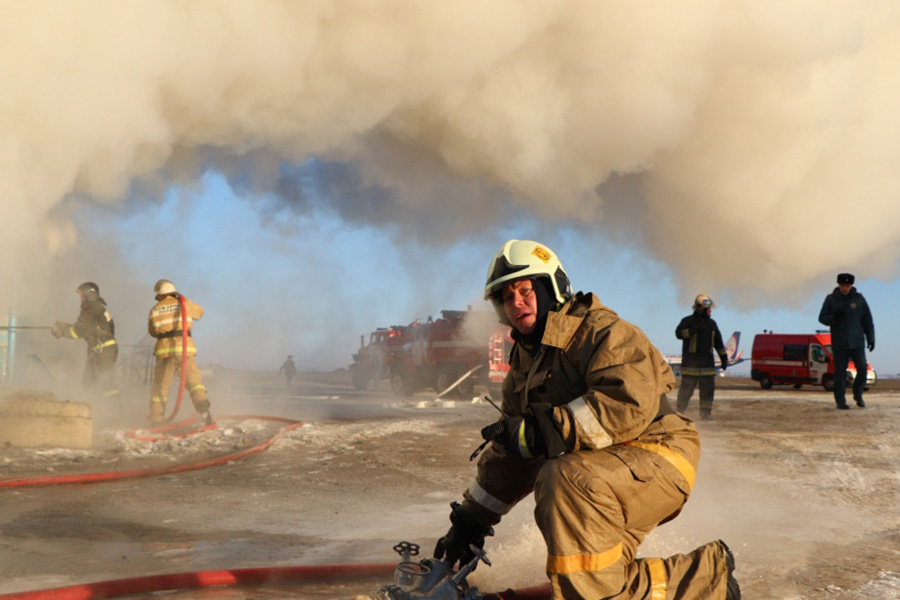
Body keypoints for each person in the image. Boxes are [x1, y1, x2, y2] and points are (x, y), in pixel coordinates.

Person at [434, 240, 740, 600]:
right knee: (597, 579)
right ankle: (706, 579)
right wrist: (471, 521)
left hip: (659, 455)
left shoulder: (599, 330)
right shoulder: (524, 362)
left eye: (524, 290)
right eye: (505, 297)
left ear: (550, 288)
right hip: (603, 476)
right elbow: (513, 454)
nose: (515, 302)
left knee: (562, 479)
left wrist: (546, 429)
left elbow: (627, 401)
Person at [147, 279, 213, 426]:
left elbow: (152, 331)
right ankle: (205, 415)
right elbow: (200, 312)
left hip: (164, 353)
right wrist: (185, 300)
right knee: (194, 383)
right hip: (184, 350)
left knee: (161, 388)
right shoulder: (184, 304)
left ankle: (156, 421)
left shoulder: (155, 309)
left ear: (160, 294)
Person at [50, 282, 120, 405]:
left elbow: (78, 331)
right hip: (100, 349)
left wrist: (61, 331)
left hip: (102, 350)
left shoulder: (92, 309)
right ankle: (95, 410)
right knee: (88, 382)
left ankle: (112, 413)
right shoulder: (97, 308)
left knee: (104, 383)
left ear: (89, 296)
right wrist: (67, 327)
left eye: (81, 296)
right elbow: (85, 328)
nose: (79, 298)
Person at [818, 273, 875, 409]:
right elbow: (822, 318)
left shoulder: (859, 299)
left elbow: (867, 320)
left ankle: (858, 394)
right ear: (838, 285)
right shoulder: (831, 299)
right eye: (843, 285)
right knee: (840, 373)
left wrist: (871, 337)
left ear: (851, 285)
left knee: (862, 368)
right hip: (839, 342)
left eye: (847, 285)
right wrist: (834, 317)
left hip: (857, 341)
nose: (845, 288)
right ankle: (840, 401)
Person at [674, 294, 729, 420]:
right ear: (700, 308)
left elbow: (719, 343)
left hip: (707, 366)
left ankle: (705, 414)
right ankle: (679, 412)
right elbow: (678, 334)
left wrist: (724, 358)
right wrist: (693, 329)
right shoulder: (687, 321)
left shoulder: (712, 324)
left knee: (708, 391)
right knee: (686, 391)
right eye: (708, 308)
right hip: (690, 365)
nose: (710, 311)